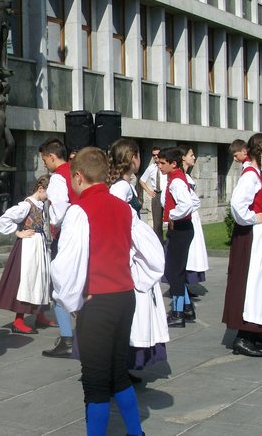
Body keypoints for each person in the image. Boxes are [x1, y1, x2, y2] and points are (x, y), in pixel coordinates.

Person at [50, 147, 144, 436]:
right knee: (118, 373)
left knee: (95, 381)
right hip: (125, 296)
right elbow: (151, 252)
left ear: (78, 177)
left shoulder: (79, 210)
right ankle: (136, 433)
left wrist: (72, 302)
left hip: (98, 300)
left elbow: (65, 265)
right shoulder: (124, 207)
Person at [222, 133, 262, 357]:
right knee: (253, 282)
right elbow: (237, 204)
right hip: (254, 236)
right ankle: (244, 336)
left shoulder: (260, 173)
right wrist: (252, 217)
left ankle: (258, 329)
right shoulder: (250, 175)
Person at [108, 139, 169, 379]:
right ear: (133, 158)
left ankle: (123, 366)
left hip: (133, 253)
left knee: (137, 311)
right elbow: (119, 224)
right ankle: (118, 368)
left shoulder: (127, 186)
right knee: (132, 312)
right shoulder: (120, 189)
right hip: (129, 257)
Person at [0, 175, 51, 335]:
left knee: (41, 279)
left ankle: (39, 315)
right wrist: (18, 232)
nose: (49, 197)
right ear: (40, 189)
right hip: (28, 246)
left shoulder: (41, 204)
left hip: (39, 245)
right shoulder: (26, 205)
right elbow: (4, 219)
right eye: (48, 193)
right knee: (27, 280)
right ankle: (18, 321)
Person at [38, 138, 79, 358]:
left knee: (59, 286)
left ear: (52, 156)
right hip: (83, 232)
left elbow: (58, 212)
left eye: (45, 159)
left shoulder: (58, 178)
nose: (45, 164)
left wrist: (52, 219)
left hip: (66, 236)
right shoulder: (76, 170)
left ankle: (67, 339)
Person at [159, 147, 200, 328]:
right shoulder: (177, 179)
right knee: (176, 270)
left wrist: (172, 216)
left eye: (163, 163)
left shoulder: (176, 182)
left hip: (180, 229)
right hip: (182, 229)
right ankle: (187, 307)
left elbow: (188, 204)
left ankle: (178, 313)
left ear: (173, 164)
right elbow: (195, 201)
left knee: (173, 271)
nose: (160, 166)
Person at [179, 145, 209, 299]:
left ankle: (188, 282)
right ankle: (182, 286)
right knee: (187, 251)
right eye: (191, 155)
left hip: (193, 216)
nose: (194, 157)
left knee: (193, 251)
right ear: (183, 157)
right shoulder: (178, 178)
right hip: (185, 217)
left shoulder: (187, 176)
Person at [138, 146, 167, 242]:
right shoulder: (151, 168)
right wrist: (149, 191)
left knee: (171, 220)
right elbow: (142, 180)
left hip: (166, 193)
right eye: (154, 155)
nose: (156, 156)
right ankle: (159, 243)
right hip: (157, 195)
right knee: (157, 223)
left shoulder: (166, 165)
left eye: (157, 154)